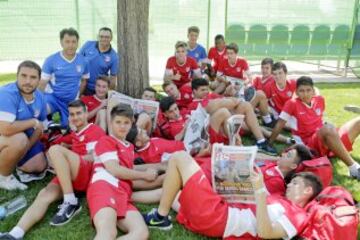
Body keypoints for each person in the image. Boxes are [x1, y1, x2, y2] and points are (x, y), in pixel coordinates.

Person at [143, 151, 323, 239]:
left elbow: (266, 232)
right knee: (173, 191)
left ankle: (160, 217)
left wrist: (260, 190)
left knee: (180, 158)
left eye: (295, 183)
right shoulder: (281, 200)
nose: (289, 186)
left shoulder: (297, 215)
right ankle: (127, 197)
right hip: (220, 211)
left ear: (307, 191)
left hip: (220, 218)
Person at [0, 100, 106, 240]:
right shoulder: (75, 133)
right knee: (44, 194)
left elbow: (96, 157)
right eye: (72, 114)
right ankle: (15, 234)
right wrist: (64, 152)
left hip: (86, 174)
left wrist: (67, 156)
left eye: (79, 113)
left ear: (86, 113)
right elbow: (61, 141)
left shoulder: (95, 130)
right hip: (70, 176)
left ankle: (71, 202)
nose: (75, 117)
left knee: (55, 150)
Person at [87, 104, 157, 239]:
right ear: (111, 123)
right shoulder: (106, 140)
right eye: (118, 122)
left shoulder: (129, 146)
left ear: (132, 124)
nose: (122, 126)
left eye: (126, 122)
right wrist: (144, 175)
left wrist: (153, 171)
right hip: (104, 187)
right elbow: (114, 169)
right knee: (108, 232)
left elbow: (128, 170)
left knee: (141, 233)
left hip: (123, 193)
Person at [269, 76, 360, 179]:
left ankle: (335, 148)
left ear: (313, 91)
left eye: (308, 90)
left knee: (358, 121)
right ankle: (354, 168)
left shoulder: (320, 100)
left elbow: (319, 120)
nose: (305, 94)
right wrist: (269, 143)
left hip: (326, 139)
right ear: (297, 93)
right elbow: (280, 124)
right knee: (328, 128)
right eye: (301, 91)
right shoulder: (292, 104)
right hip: (309, 145)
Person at [0, 61, 47, 190]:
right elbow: (5, 129)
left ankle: (11, 160)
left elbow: (40, 126)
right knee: (18, 140)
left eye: (33, 77)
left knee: (39, 166)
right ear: (17, 76)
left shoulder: (40, 97)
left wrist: (26, 149)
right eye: (24, 76)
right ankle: (4, 177)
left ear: (39, 80)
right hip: (4, 135)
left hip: (23, 135)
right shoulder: (7, 94)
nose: (28, 81)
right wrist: (32, 122)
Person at [39, 28, 89, 127]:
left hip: (71, 100)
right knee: (39, 113)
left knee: (69, 127)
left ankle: (59, 123)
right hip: (53, 98)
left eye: (74, 42)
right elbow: (42, 84)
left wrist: (77, 96)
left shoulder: (83, 61)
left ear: (77, 43)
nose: (71, 45)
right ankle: (45, 126)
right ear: (61, 43)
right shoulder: (51, 60)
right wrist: (38, 102)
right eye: (67, 42)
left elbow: (84, 81)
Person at [79, 27, 119, 94]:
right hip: (82, 84)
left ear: (111, 38)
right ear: (98, 37)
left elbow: (113, 78)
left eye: (107, 37)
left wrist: (110, 94)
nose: (104, 39)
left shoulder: (114, 56)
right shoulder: (88, 45)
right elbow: (78, 59)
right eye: (101, 36)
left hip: (99, 89)